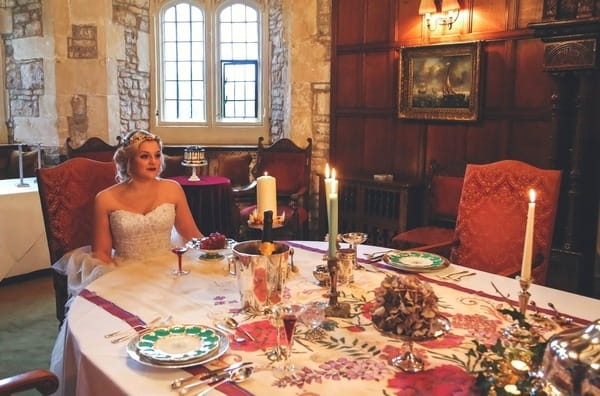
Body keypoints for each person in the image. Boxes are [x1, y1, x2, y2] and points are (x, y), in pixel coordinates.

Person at [50, 130, 202, 392]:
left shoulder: (173, 189)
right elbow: (101, 254)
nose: (154, 161)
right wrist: (112, 282)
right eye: (144, 156)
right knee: (119, 334)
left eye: (157, 155)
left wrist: (218, 247)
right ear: (128, 160)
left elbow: (193, 235)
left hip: (169, 269)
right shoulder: (106, 198)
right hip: (126, 272)